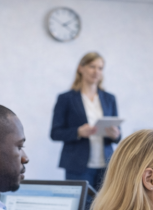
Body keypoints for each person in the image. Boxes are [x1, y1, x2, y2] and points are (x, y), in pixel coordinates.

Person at [51, 51, 121, 192]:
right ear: (81, 68)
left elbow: (118, 135)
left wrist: (116, 135)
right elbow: (55, 133)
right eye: (92, 66)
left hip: (106, 165)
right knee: (80, 208)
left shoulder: (109, 98)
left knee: (102, 209)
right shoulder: (66, 98)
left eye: (100, 68)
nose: (96, 71)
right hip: (77, 165)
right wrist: (78, 132)